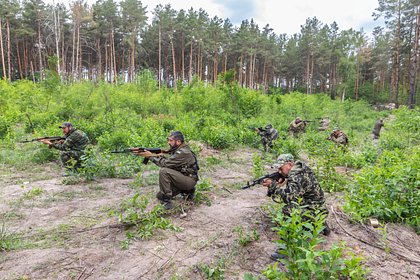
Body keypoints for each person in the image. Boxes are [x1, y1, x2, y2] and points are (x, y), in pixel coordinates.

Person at [261, 154, 330, 260]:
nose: (279, 171)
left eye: (281, 168)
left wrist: (273, 186)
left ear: (289, 164)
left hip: (314, 208)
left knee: (288, 209)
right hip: (317, 206)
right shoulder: (299, 169)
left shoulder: (296, 176)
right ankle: (321, 223)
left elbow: (289, 197)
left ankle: (286, 248)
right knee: (297, 204)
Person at [134, 131, 199, 210]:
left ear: (178, 141)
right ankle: (188, 191)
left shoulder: (183, 152)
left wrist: (150, 156)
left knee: (164, 171)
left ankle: (167, 201)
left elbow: (165, 164)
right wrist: (155, 155)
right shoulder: (180, 148)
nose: (168, 142)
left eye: (171, 140)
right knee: (159, 195)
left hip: (189, 180)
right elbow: (170, 161)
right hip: (186, 177)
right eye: (168, 140)